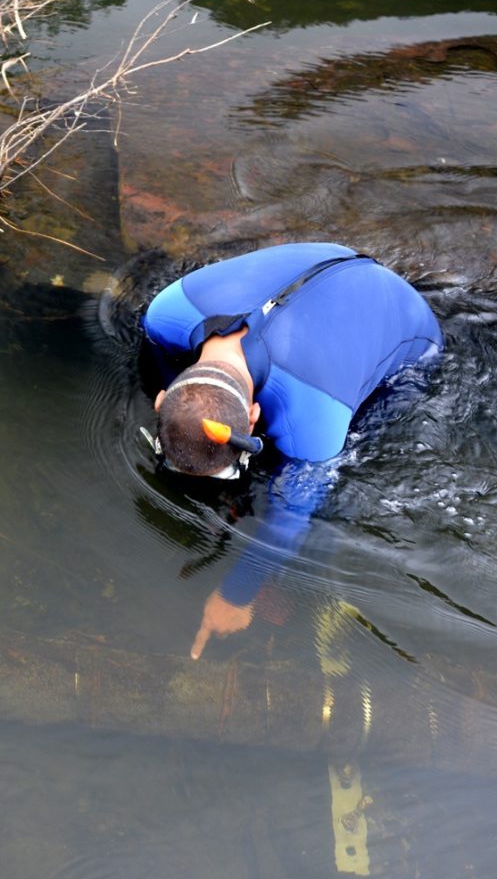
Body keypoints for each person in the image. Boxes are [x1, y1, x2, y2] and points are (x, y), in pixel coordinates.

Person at [132, 242, 443, 658]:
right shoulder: (164, 314)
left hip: (411, 335)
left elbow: (290, 521)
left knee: (319, 491)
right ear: (161, 400)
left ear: (256, 414)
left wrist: (237, 596)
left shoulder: (315, 422)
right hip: (329, 264)